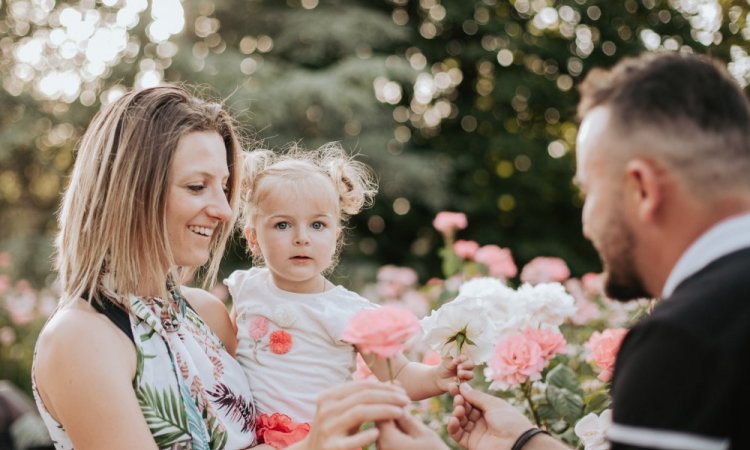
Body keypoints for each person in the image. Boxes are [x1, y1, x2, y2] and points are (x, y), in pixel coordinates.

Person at [381, 52, 750, 450]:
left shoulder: (682, 344)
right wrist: (526, 443)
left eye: (590, 192)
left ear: (642, 189)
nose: (587, 224)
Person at [31, 85, 410, 450]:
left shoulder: (208, 315)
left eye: (224, 187)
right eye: (197, 186)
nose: (224, 210)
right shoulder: (80, 338)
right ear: (131, 192)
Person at [222, 143, 474, 446]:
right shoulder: (248, 287)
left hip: (322, 438)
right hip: (247, 434)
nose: (301, 238)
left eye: (317, 225)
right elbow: (226, 356)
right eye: (282, 224)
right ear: (253, 238)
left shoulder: (346, 312)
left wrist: (435, 377)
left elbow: (400, 372)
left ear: (335, 237)